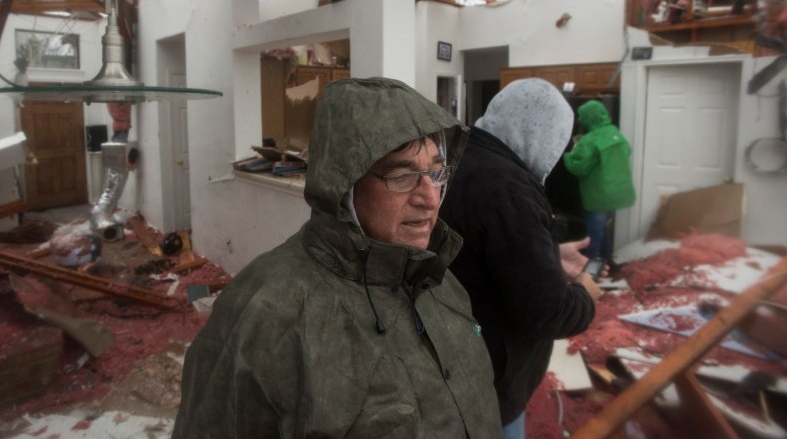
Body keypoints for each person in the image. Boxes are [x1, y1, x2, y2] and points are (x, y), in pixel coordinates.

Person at [172, 77, 502, 438]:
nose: (430, 198)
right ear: (344, 184)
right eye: (402, 175)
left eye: (436, 172)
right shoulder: (263, 313)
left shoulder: (438, 280)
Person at [440, 78, 601, 439]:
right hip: (488, 383)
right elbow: (545, 312)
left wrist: (546, 254)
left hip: (449, 362)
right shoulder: (510, 188)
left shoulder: (458, 156)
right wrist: (586, 295)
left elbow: (477, 250)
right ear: (545, 136)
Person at [563, 99, 636, 263]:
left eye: (582, 117)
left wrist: (568, 155)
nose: (580, 120)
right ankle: (608, 260)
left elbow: (578, 167)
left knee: (593, 233)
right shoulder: (614, 132)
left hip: (599, 194)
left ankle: (590, 268)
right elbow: (625, 152)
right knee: (602, 227)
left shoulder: (588, 140)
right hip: (617, 191)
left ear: (589, 118)